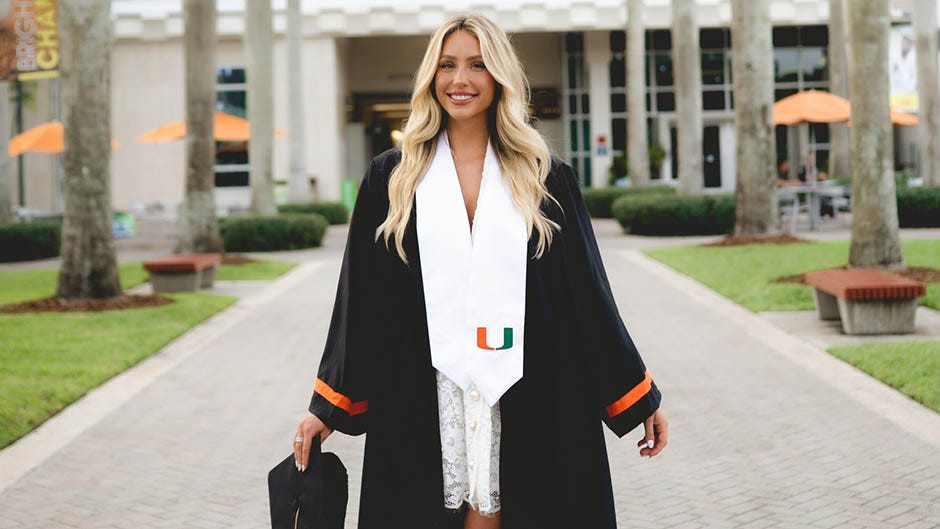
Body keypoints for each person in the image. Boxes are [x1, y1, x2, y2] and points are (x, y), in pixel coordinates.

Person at [293, 13, 667, 529]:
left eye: (477, 65)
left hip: (531, 389)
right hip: (423, 394)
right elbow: (362, 301)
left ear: (499, 77)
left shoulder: (543, 177)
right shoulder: (393, 178)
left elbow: (586, 294)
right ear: (431, 76)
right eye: (447, 65)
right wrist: (326, 407)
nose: (460, 80)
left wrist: (636, 394)